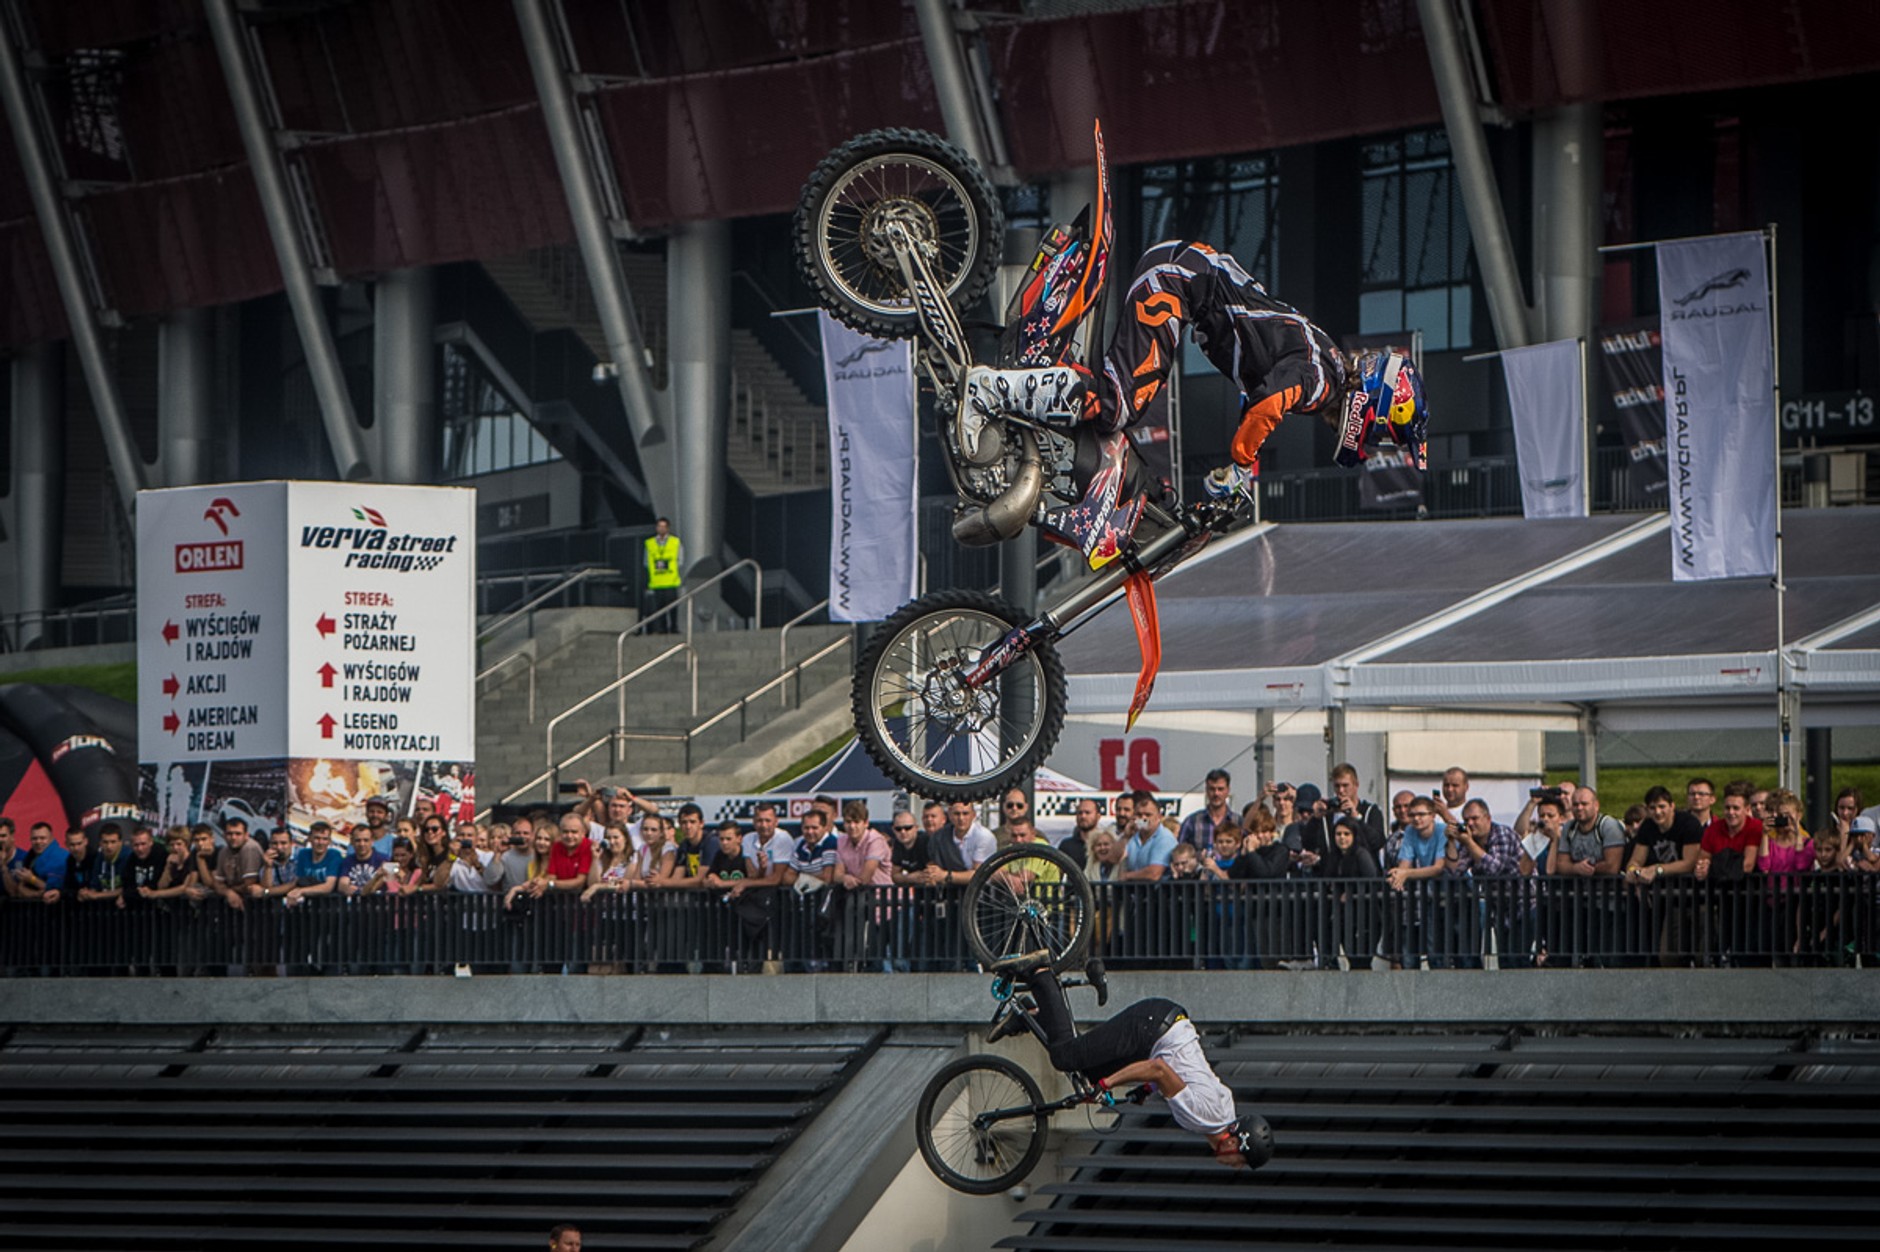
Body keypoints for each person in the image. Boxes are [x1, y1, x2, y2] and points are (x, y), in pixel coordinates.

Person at [968, 238, 1429, 503]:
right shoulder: (1319, 378)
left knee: (1120, 406)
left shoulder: (1322, 361)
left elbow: (1258, 399)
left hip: (1187, 276)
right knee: (1117, 405)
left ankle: (1042, 383)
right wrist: (1241, 464)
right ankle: (991, 391)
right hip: (1179, 283)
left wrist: (1242, 470)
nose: (1375, 440)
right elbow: (1268, 406)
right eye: (1385, 432)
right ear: (1376, 404)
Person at [996, 954, 1272, 1171]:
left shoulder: (1223, 1110)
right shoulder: (1205, 1119)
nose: (1236, 1167)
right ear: (1235, 1143)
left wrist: (1145, 1090)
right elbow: (1159, 1069)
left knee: (1085, 1073)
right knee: (1066, 1056)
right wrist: (1108, 1084)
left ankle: (1031, 1015)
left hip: (1161, 1029)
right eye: (1241, 1162)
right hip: (1151, 1029)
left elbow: (1181, 1073)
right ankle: (1040, 973)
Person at [643, 516, 682, 634]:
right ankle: (662, 629)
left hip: (671, 581)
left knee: (673, 607)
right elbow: (646, 562)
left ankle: (674, 627)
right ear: (656, 528)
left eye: (664, 526)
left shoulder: (675, 542)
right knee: (659, 608)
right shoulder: (649, 544)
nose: (662, 529)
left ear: (668, 528)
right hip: (656, 582)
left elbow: (680, 560)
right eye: (660, 526)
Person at [1179, 770, 1235, 851]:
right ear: (1206, 790)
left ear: (1228, 790)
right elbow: (1180, 852)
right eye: (1212, 789)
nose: (1216, 793)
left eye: (1220, 789)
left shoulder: (1237, 822)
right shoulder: (1192, 822)